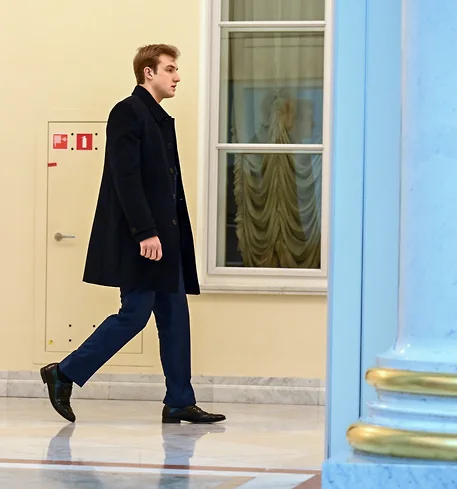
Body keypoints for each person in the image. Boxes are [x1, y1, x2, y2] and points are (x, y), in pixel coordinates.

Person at [40, 44, 226, 425]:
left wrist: (170, 237)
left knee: (175, 319)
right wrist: (145, 232)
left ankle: (179, 400)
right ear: (148, 73)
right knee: (135, 315)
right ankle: (64, 372)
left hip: (166, 243)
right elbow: (125, 178)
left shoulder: (159, 119)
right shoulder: (127, 112)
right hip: (145, 242)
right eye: (170, 69)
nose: (177, 77)